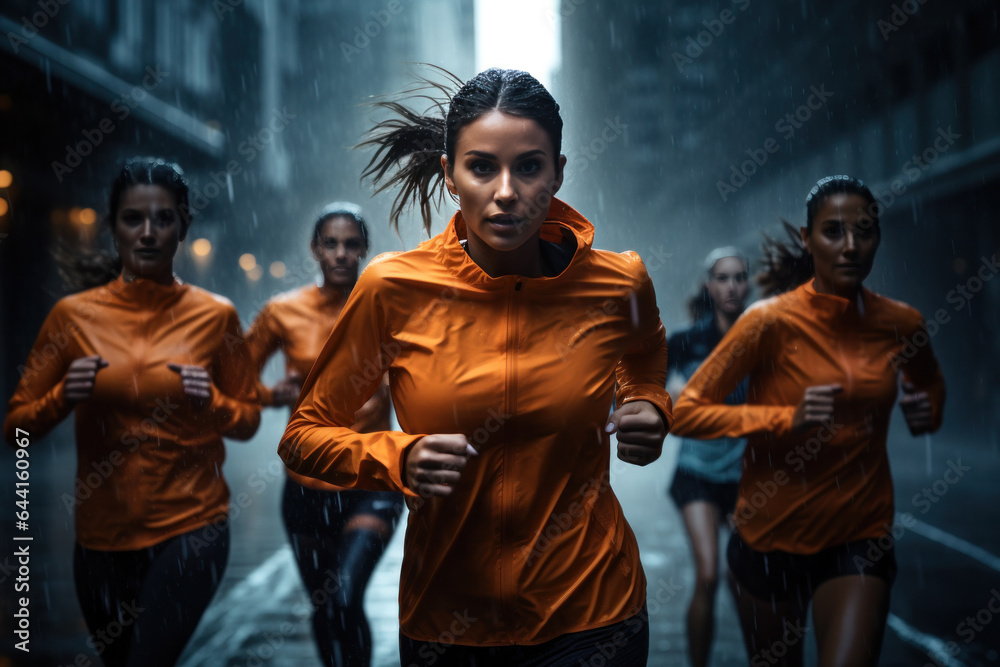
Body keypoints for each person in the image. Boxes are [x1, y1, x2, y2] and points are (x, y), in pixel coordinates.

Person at [277, 67, 673, 666]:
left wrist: (648, 404)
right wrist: (399, 457)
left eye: (530, 166)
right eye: (482, 167)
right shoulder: (392, 287)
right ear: (450, 174)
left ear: (560, 172)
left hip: (593, 612)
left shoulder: (619, 281)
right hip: (447, 623)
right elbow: (302, 439)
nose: (507, 192)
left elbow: (644, 354)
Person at [672, 175, 945, 666]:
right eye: (833, 231)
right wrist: (783, 419)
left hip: (859, 536)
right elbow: (686, 412)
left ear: (878, 236)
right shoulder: (767, 322)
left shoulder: (902, 324)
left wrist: (926, 411)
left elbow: (930, 387)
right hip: (769, 539)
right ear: (807, 238)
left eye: (864, 231)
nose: (851, 246)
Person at [3, 157, 260, 666]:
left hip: (193, 527)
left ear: (183, 226)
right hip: (101, 540)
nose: (148, 233)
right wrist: (63, 397)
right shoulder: (73, 316)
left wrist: (212, 403)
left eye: (163, 219)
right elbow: (16, 429)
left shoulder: (216, 315)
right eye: (132, 219)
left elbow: (249, 419)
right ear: (112, 226)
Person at [245, 202, 402, 667]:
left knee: (346, 594)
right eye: (330, 244)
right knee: (325, 603)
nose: (341, 254)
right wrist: (274, 395)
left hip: (371, 481)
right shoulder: (282, 312)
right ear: (314, 249)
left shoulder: (388, 309)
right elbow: (236, 379)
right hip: (307, 485)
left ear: (365, 250)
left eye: (351, 244)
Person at [666, 247, 750, 667]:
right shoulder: (685, 341)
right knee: (709, 573)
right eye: (723, 278)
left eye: (739, 277)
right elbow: (646, 392)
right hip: (696, 472)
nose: (732, 286)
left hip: (745, 477)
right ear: (709, 285)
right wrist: (671, 400)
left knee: (744, 577)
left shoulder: (762, 335)